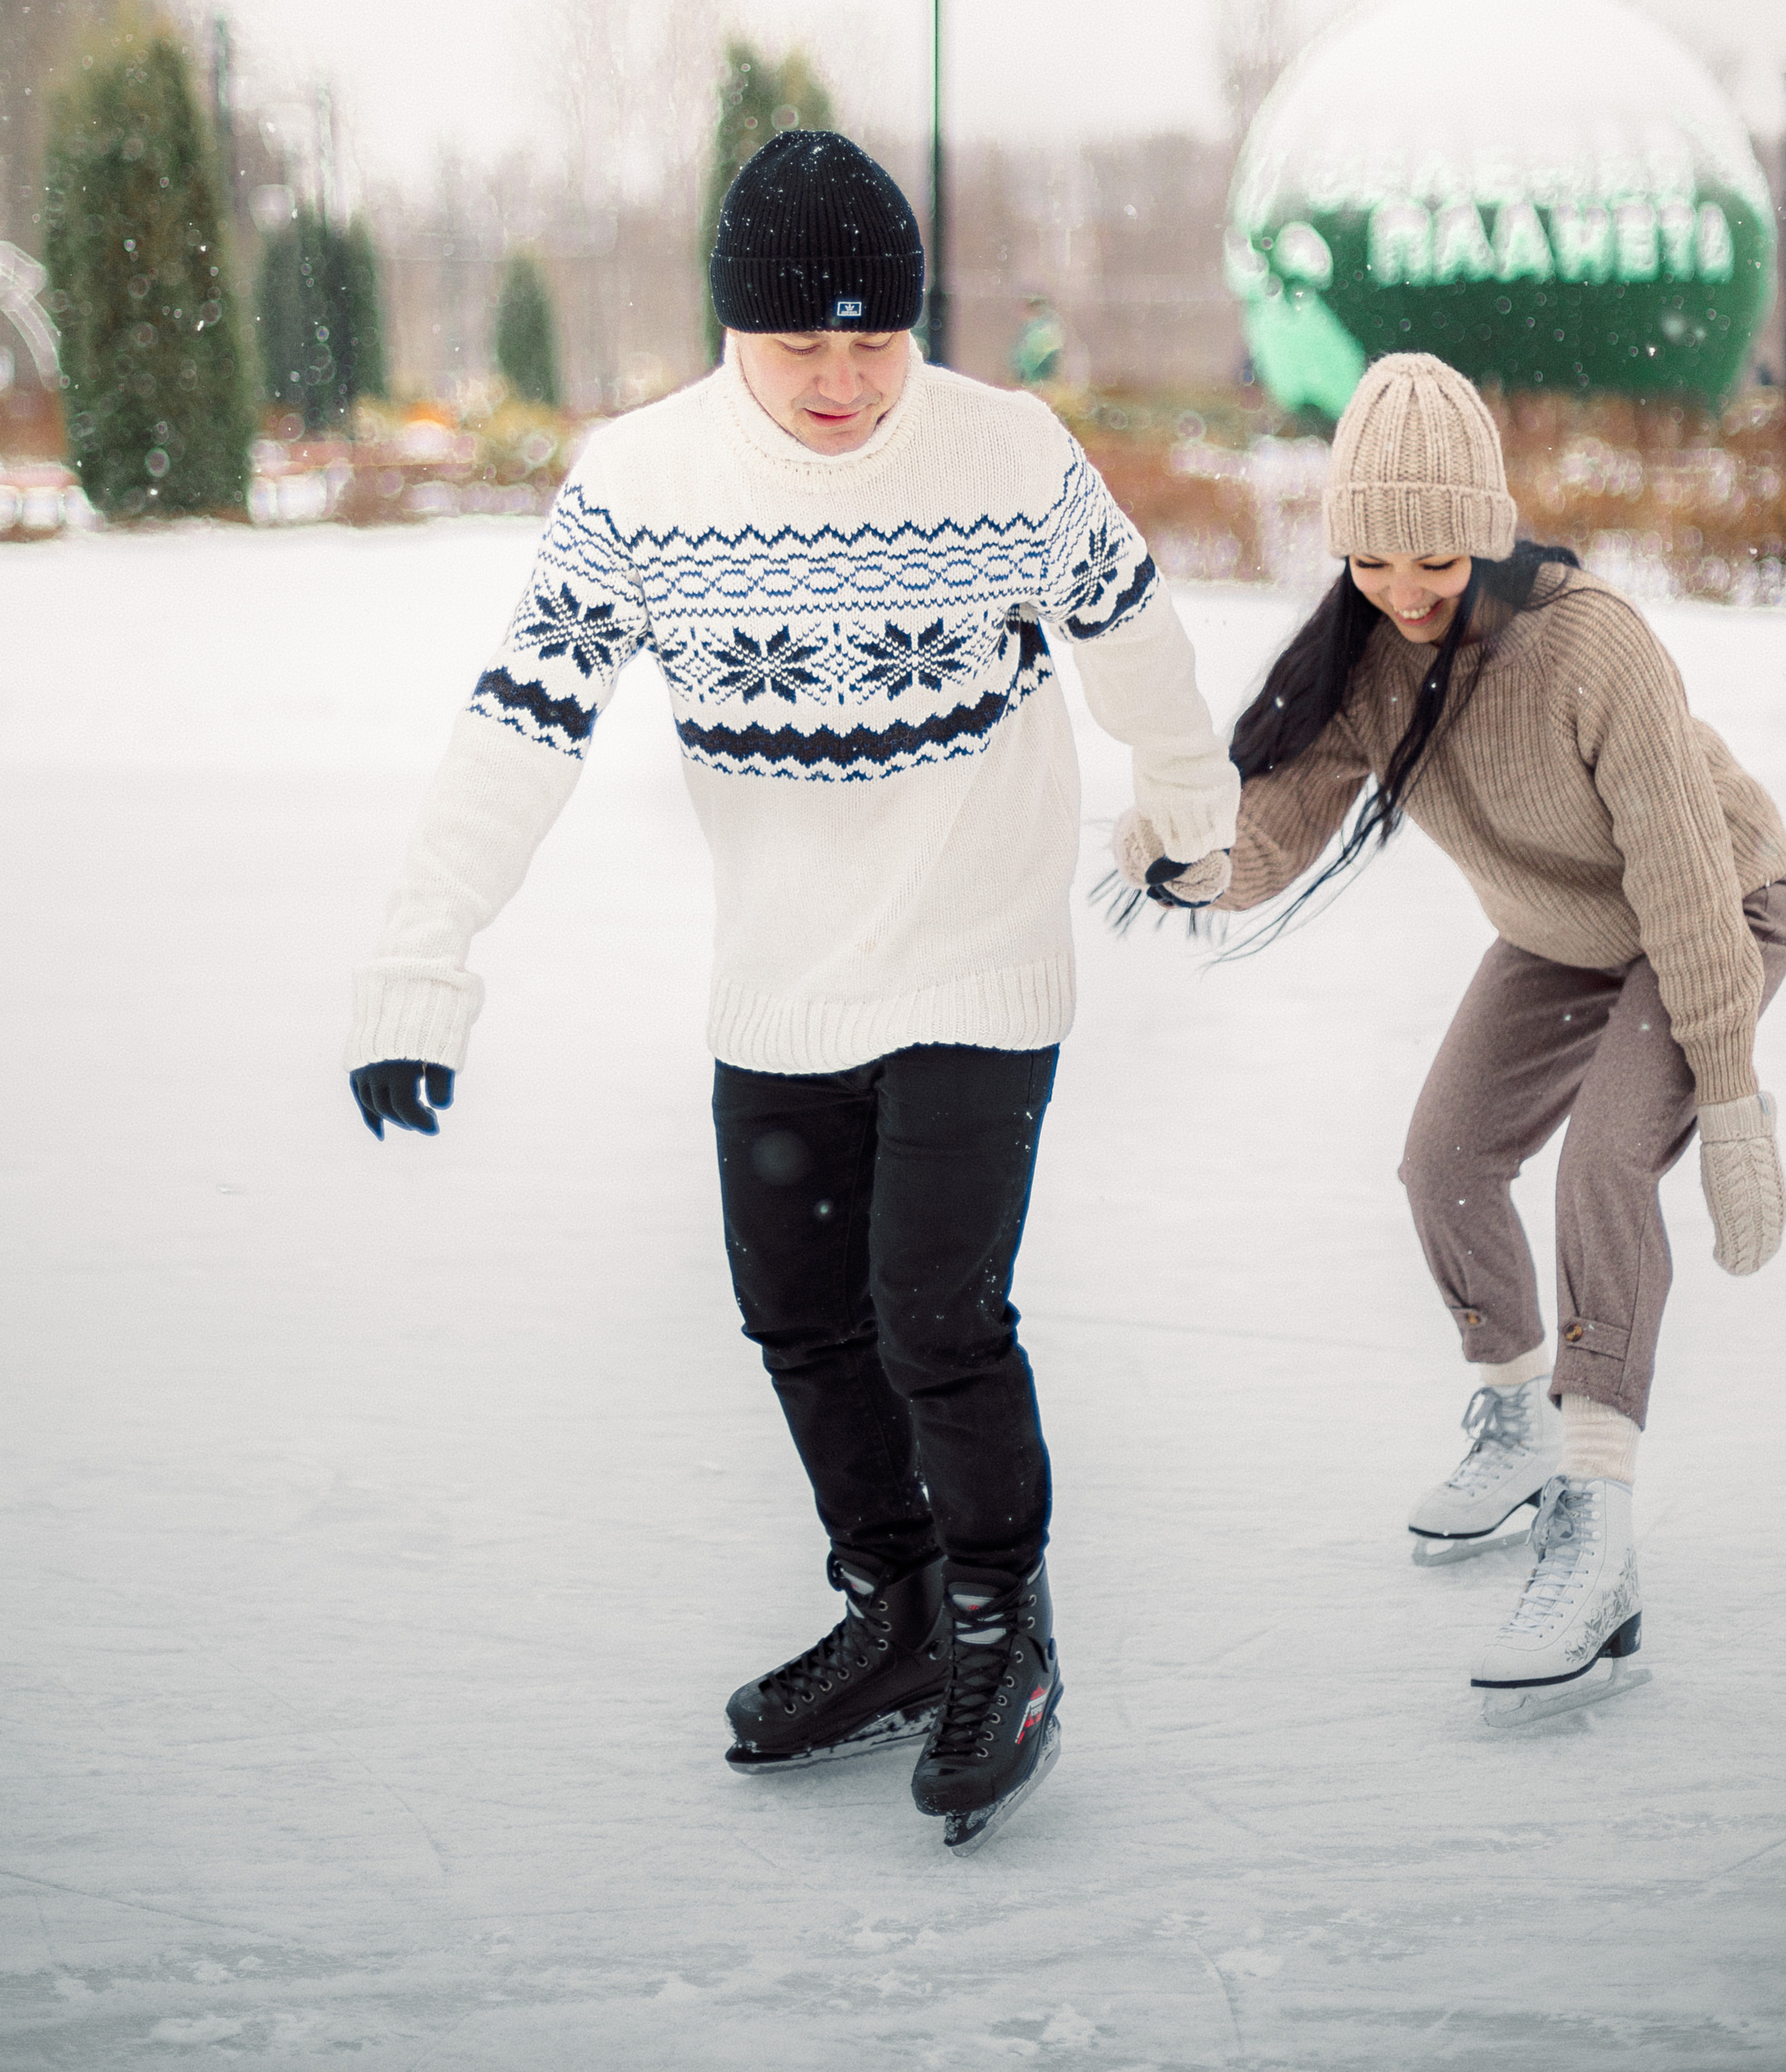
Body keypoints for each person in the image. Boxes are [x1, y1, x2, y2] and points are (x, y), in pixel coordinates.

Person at [348, 129, 1239, 1846]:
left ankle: (1000, 1628)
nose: (841, 379)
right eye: (796, 344)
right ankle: (896, 1606)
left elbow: (1134, 640)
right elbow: (518, 729)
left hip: (979, 962)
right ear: (729, 330)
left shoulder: (1009, 455)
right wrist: (417, 960)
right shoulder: (641, 486)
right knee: (798, 1319)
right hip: (781, 975)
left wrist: (1189, 813)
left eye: (873, 338)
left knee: (934, 1318)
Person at [1115, 351, 1786, 1711]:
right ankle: (1518, 1412)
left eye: (1432, 558)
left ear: (1487, 530)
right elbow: (1283, 823)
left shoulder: (1590, 648)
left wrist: (1727, 1100)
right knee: (1445, 1162)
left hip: (1716, 908)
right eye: (1370, 559)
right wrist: (1199, 860)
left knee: (1605, 1163)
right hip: (1561, 930)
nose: (1403, 589)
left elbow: (1677, 880)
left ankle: (1596, 1520)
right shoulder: (1369, 659)